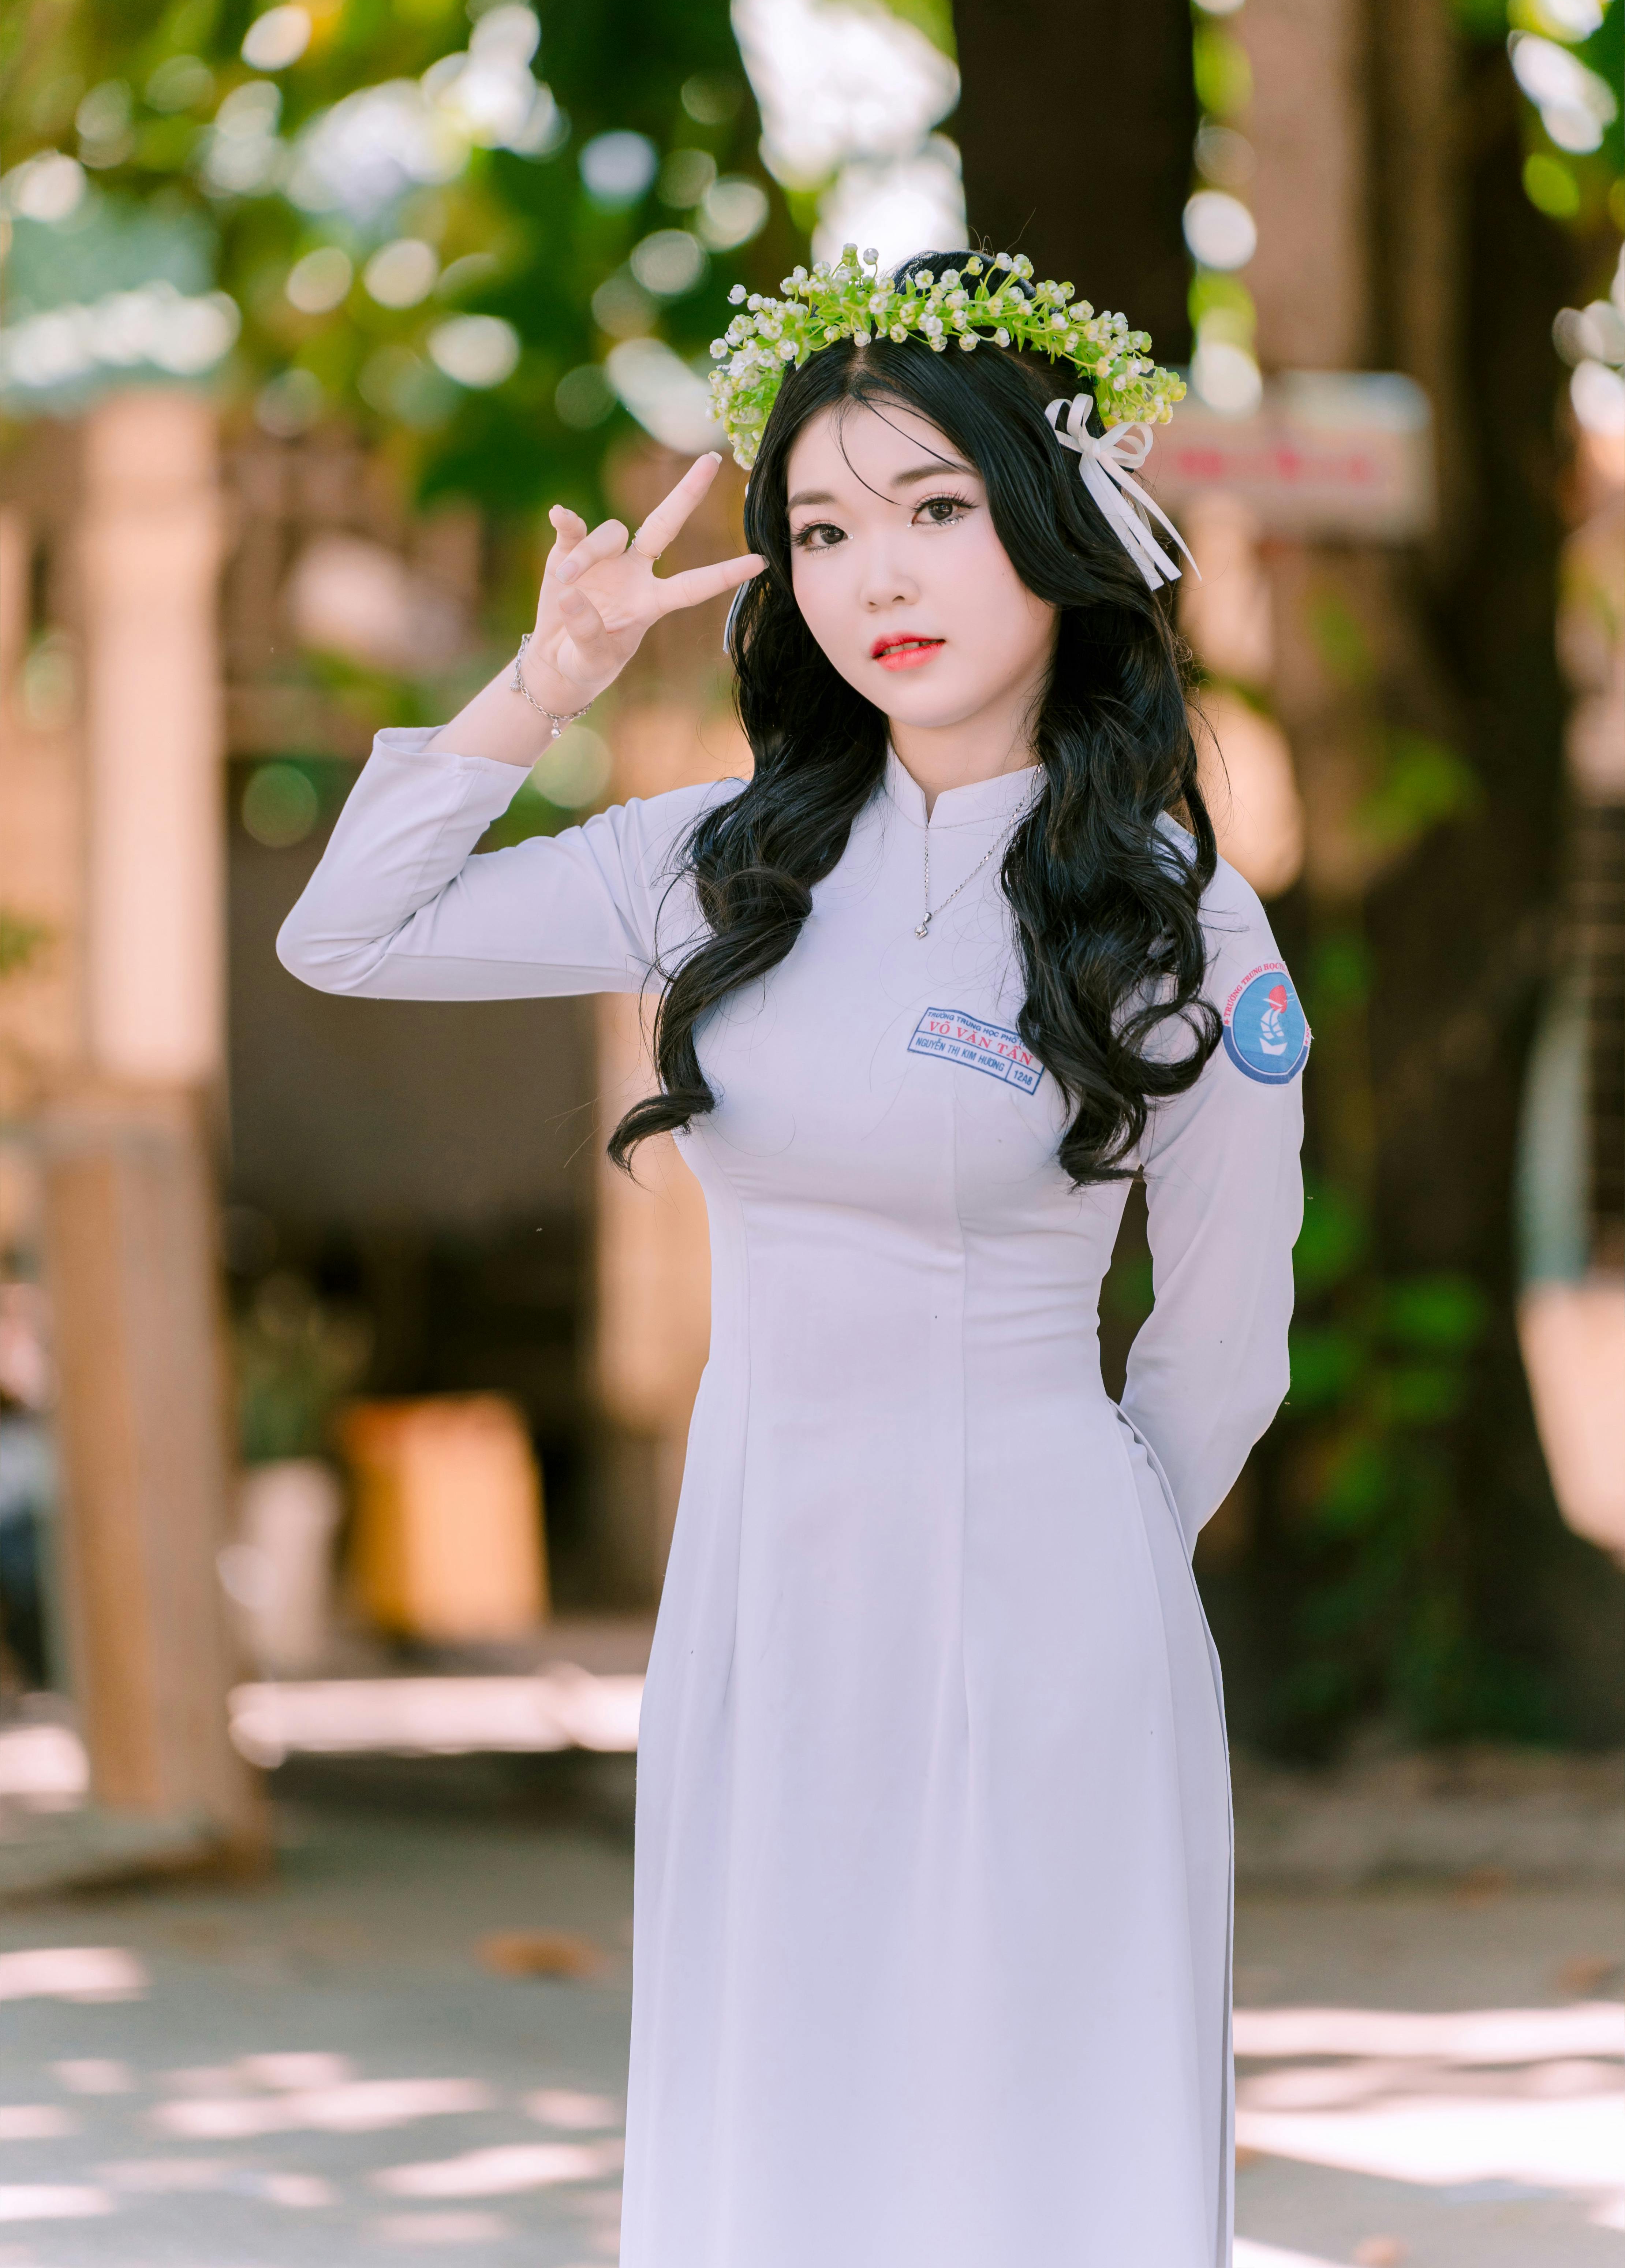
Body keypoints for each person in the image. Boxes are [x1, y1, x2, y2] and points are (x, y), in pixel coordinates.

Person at [278, 247, 1308, 2267]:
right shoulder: (717, 867)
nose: (875, 579)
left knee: (1041, 2117)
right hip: (763, 1583)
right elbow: (352, 934)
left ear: (1054, 535)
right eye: (820, 530)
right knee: (782, 2099)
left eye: (933, 510)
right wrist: (543, 682)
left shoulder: (1177, 925)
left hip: (1046, 1596)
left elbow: (1227, 1331)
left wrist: (1086, 1564)